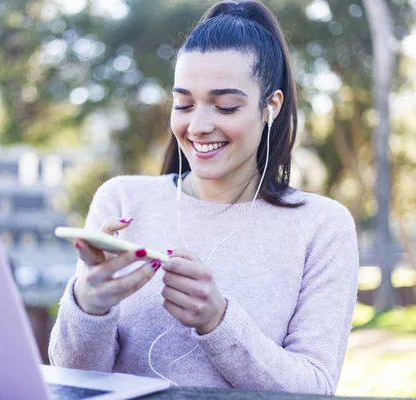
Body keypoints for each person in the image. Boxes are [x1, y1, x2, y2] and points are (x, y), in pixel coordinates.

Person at [48, 0, 359, 395]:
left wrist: (218, 321)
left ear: (271, 107)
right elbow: (76, 382)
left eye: (225, 106)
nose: (198, 126)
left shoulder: (321, 226)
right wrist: (89, 305)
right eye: (184, 104)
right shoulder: (122, 200)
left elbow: (314, 388)